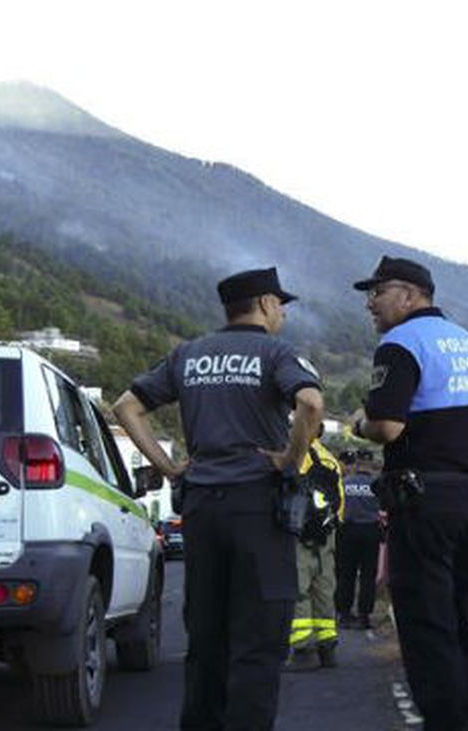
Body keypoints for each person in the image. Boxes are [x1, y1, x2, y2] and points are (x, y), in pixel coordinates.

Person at [112, 267, 324, 731]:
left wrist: (169, 467)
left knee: (207, 638)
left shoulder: (188, 355)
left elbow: (125, 406)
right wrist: (289, 458)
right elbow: (310, 403)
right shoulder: (276, 352)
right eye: (280, 304)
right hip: (258, 508)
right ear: (266, 304)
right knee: (259, 639)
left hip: (202, 507)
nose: (283, 313)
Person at [349, 256, 468, 731]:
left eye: (377, 293)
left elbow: (388, 426)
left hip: (423, 502)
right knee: (461, 625)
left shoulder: (399, 343)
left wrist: (361, 425)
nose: (370, 305)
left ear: (410, 294)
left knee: (425, 630)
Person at [285, 431, 344, 671]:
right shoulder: (329, 459)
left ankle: (302, 650)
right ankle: (327, 648)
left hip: (300, 533)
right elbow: (339, 501)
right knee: (325, 586)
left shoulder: (296, 455)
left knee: (299, 588)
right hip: (326, 533)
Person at [335, 449, 382, 630]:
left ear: (356, 463)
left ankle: (343, 614)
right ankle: (364, 616)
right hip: (370, 532)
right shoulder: (377, 484)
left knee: (346, 574)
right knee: (368, 575)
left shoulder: (345, 483)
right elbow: (384, 508)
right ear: (370, 464)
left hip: (347, 531)